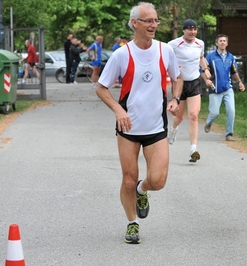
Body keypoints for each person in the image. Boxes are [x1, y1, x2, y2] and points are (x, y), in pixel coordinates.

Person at [95, 2, 181, 244]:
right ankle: (132, 223)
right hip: (128, 129)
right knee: (129, 179)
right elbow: (101, 88)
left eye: (156, 20)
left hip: (156, 128)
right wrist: (118, 109)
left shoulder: (166, 51)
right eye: (148, 20)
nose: (154, 25)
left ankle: (143, 192)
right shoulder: (122, 54)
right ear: (135, 23)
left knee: (158, 181)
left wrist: (175, 98)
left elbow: (179, 77)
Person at [167, 19, 211, 163]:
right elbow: (164, 58)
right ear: (184, 30)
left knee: (193, 115)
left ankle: (193, 149)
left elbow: (201, 58)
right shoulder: (174, 44)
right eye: (189, 29)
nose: (192, 32)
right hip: (179, 83)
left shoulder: (200, 43)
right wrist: (171, 69)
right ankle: (173, 129)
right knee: (179, 117)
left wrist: (205, 69)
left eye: (194, 29)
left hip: (194, 82)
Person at [202, 34, 245, 141]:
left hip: (228, 88)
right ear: (216, 43)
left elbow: (234, 71)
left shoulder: (231, 57)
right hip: (215, 88)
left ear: (227, 43)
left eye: (224, 41)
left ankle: (229, 134)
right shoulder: (210, 57)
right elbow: (202, 69)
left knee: (231, 111)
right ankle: (209, 122)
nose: (222, 42)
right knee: (215, 112)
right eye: (220, 41)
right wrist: (206, 79)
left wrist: (239, 82)